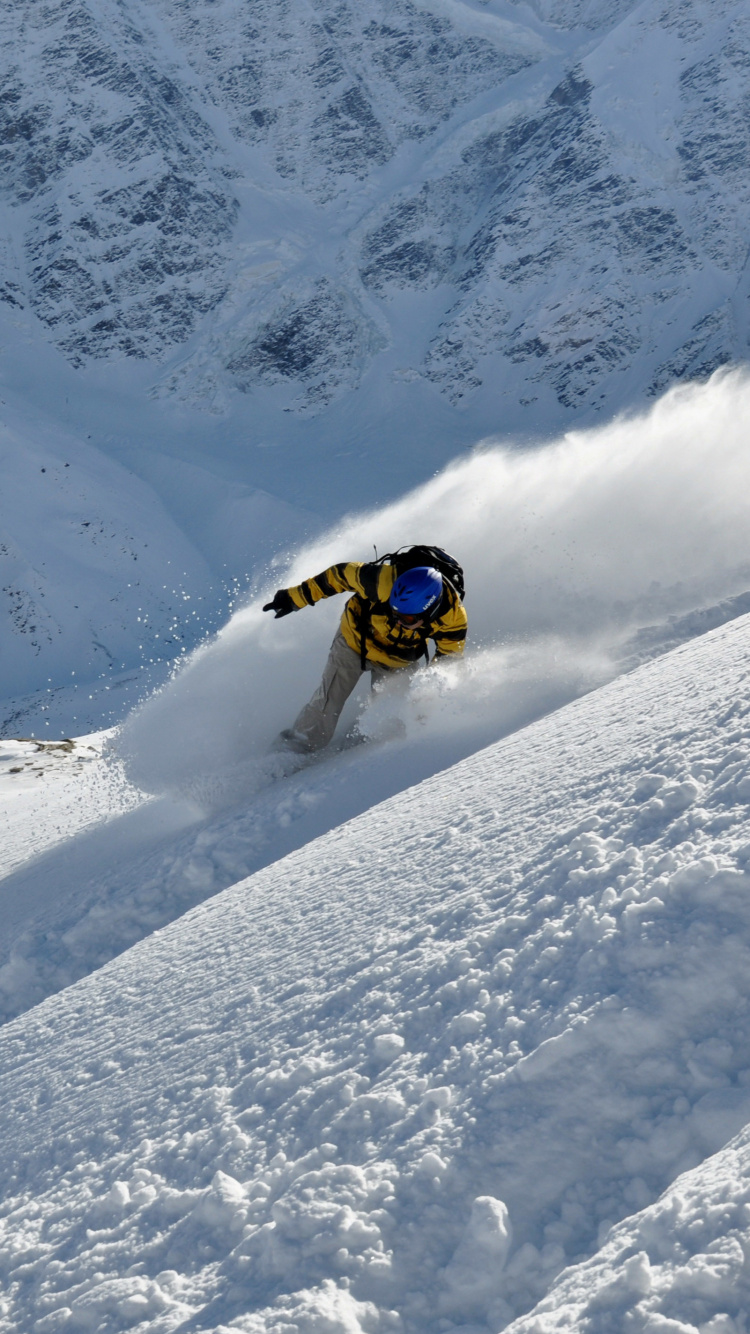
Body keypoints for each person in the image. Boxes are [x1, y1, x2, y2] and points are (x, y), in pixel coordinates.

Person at [263, 558, 467, 752]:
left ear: (429, 611)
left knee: (391, 722)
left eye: (406, 618)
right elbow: (338, 576)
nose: (397, 620)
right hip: (354, 641)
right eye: (394, 611)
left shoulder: (453, 620)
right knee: (327, 702)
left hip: (398, 660)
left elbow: (447, 664)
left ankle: (362, 755)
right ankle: (294, 748)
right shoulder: (382, 581)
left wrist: (426, 700)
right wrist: (294, 598)